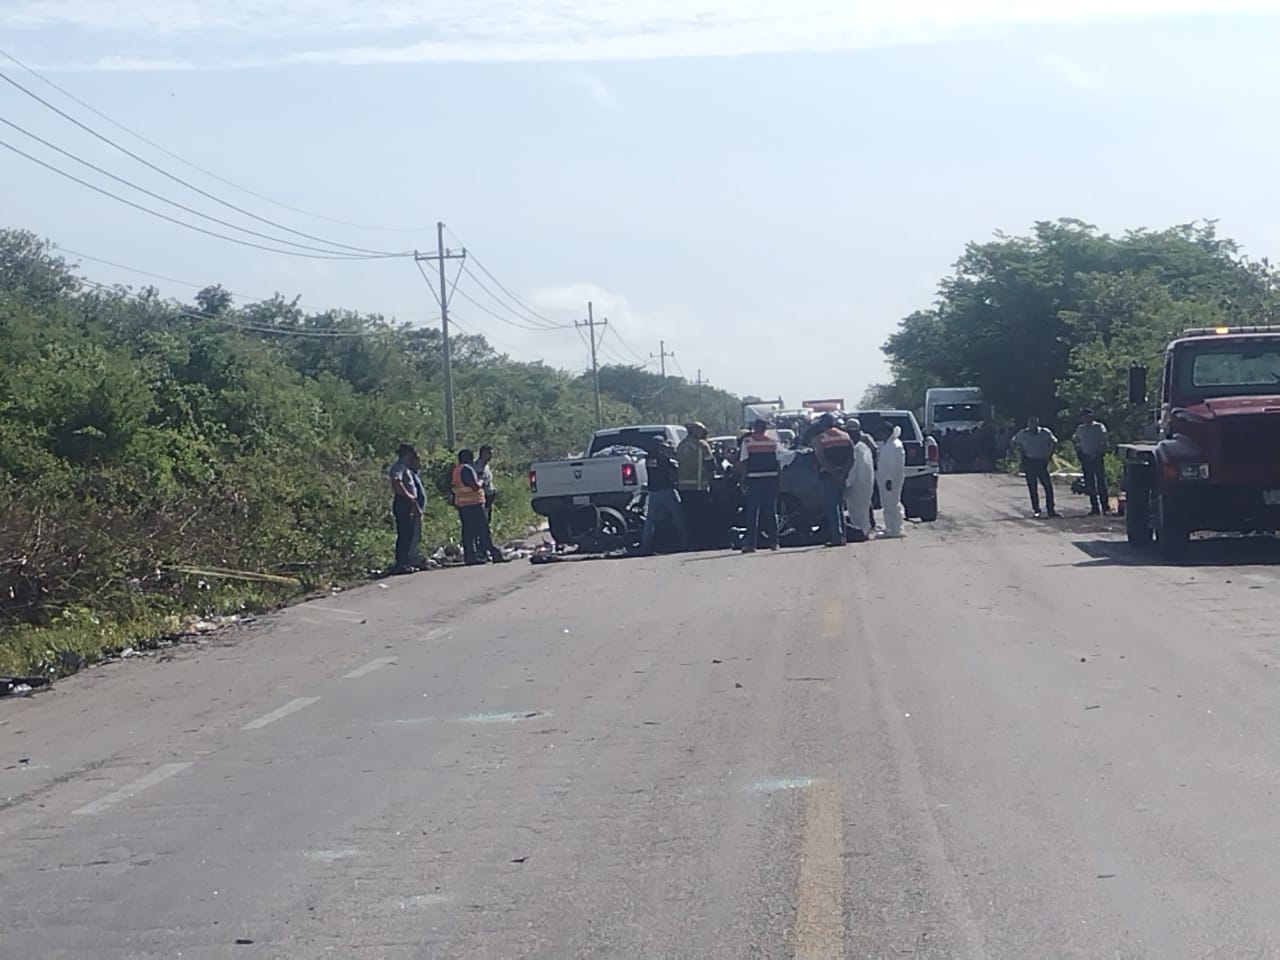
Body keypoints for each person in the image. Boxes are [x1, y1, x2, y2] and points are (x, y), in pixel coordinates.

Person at [736, 418, 795, 552]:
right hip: (771, 480)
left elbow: (744, 463)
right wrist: (779, 481)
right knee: (771, 512)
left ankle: (750, 544)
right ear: (765, 428)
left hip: (754, 480)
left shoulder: (747, 442)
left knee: (752, 513)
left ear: (754, 428)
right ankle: (774, 543)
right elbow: (779, 463)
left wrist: (742, 480)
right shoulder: (772, 442)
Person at [452, 449, 504, 565]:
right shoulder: (466, 469)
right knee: (483, 530)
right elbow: (474, 486)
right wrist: (480, 481)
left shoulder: (457, 469)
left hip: (463, 505)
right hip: (473, 505)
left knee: (468, 533)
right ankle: (494, 553)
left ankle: (471, 556)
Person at [639, 436, 689, 555]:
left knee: (650, 520)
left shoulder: (648, 457)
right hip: (666, 490)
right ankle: (685, 543)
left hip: (653, 491)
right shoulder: (662, 457)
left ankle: (645, 545)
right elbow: (674, 467)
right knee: (678, 516)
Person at [812, 413, 855, 547]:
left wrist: (834, 473)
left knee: (832, 508)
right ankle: (843, 537)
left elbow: (822, 459)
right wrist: (843, 473)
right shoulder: (845, 436)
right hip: (843, 475)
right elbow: (851, 458)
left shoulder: (820, 438)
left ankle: (836, 538)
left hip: (829, 476)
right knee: (840, 507)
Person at [677, 422, 717, 547]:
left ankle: (690, 542)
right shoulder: (702, 445)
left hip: (684, 488)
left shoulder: (681, 445)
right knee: (702, 517)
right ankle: (703, 542)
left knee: (689, 517)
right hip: (700, 487)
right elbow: (711, 464)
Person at [1011, 416, 1059, 518]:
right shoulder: (1023, 434)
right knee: (1032, 487)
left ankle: (1051, 509)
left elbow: (1054, 442)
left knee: (1048, 487)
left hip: (1042, 461)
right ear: (1028, 423)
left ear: (1038, 423)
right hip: (1030, 461)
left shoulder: (1045, 432)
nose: (1033, 424)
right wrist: (1020, 452)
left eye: (1034, 422)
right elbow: (1013, 442)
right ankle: (1036, 509)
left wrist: (1049, 454)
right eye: (1031, 423)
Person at [388, 443, 423, 574]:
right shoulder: (399, 466)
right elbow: (396, 481)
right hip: (403, 502)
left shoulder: (406, 468)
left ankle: (405, 563)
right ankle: (401, 564)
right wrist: (409, 496)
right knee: (404, 534)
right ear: (406, 454)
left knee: (408, 533)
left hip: (408, 502)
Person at [1072, 409, 1111, 516]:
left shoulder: (1099, 427)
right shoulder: (1081, 429)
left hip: (1097, 456)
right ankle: (1094, 507)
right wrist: (1079, 452)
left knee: (1101, 482)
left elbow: (1104, 440)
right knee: (1090, 483)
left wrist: (1099, 451)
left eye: (1087, 416)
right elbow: (1076, 440)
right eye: (1083, 416)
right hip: (1085, 457)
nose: (1085, 418)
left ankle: (1105, 506)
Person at [843, 419, 876, 543]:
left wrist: (845, 485)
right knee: (864, 509)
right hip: (866, 483)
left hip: (858, 485)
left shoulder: (856, 449)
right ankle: (865, 530)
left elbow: (853, 470)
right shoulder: (864, 446)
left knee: (857, 511)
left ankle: (860, 533)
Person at [875, 422, 906, 537]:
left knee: (892, 504)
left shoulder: (894, 445)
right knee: (887, 504)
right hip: (886, 479)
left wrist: (889, 479)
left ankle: (896, 529)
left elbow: (895, 465)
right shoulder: (887, 444)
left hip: (891, 480)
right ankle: (890, 528)